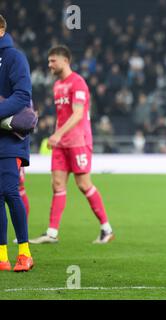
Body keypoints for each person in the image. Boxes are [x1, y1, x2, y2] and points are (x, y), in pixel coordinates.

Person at [30, 45, 114, 244]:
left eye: (52, 61)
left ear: (65, 60)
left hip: (78, 141)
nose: (49, 65)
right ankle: (51, 233)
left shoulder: (78, 83)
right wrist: (55, 135)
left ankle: (106, 229)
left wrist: (57, 135)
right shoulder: (57, 85)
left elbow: (77, 114)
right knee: (57, 184)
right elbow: (63, 115)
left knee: (84, 185)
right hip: (61, 143)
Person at [0, 15, 34, 272]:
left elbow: (23, 95)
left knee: (11, 192)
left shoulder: (15, 57)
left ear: (1, 28)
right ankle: (2, 256)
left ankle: (24, 252)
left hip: (11, 138)